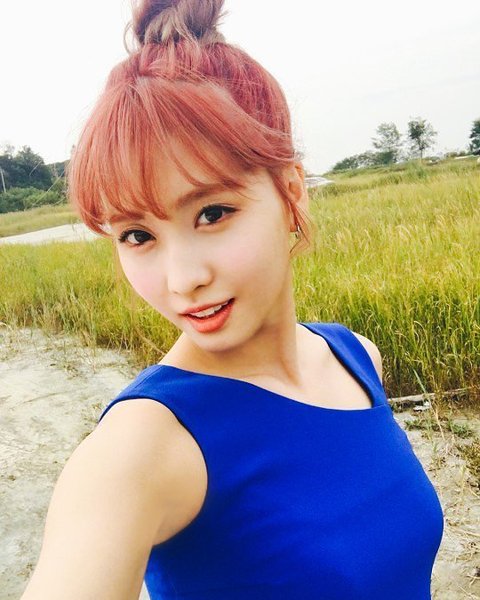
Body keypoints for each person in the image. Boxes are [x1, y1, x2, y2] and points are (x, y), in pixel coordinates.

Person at [20, 1, 444, 598]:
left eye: (212, 213)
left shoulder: (356, 358)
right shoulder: (140, 449)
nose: (182, 279)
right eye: (137, 235)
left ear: (291, 192)